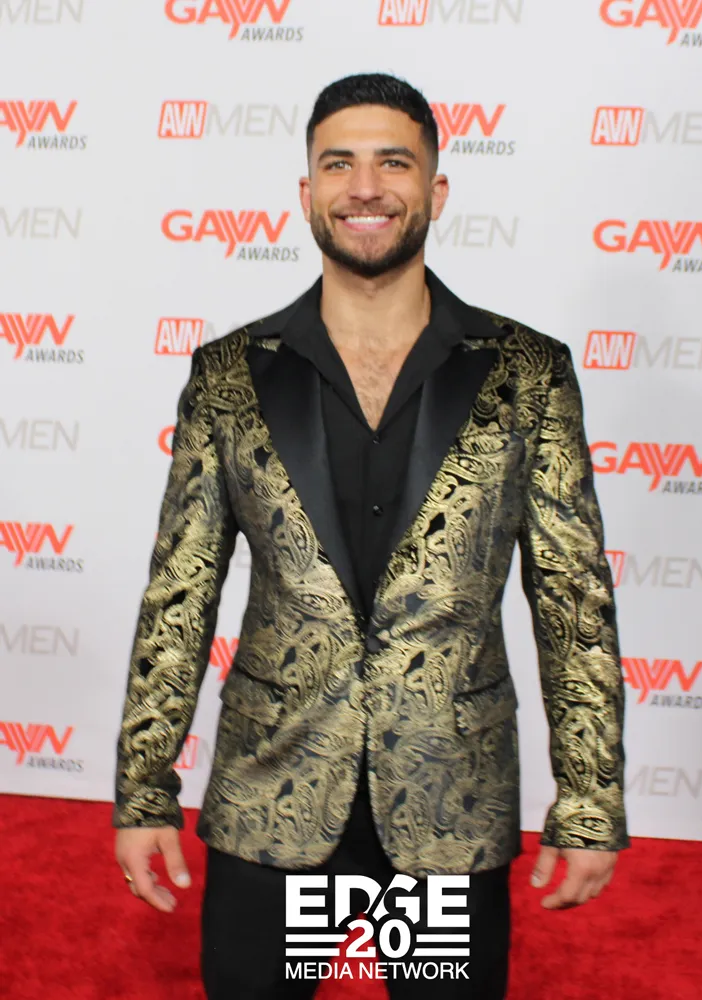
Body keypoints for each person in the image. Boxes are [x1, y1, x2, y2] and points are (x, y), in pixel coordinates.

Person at [113, 73, 630, 999]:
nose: (364, 187)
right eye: (337, 164)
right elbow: (179, 591)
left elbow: (572, 597)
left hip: (449, 793)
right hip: (270, 790)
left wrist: (589, 799)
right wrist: (144, 785)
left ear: (435, 189)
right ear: (305, 190)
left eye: (393, 162)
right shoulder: (228, 374)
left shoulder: (527, 373)